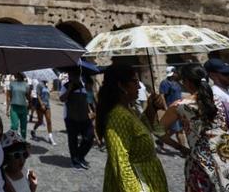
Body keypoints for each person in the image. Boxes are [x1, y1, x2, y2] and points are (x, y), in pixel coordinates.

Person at [160, 63, 229, 191]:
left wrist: (179, 147)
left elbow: (157, 130)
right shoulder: (224, 104)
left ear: (187, 82)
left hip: (200, 167)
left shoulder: (179, 107)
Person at [96, 63, 168, 192]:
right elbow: (120, 161)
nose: (139, 87)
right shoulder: (117, 116)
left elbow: (142, 130)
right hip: (138, 181)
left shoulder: (129, 110)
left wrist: (152, 108)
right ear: (121, 85)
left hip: (147, 177)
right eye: (135, 82)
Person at [59, 70, 93, 169]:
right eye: (70, 75)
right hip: (71, 117)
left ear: (78, 75)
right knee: (73, 140)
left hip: (84, 117)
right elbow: (62, 99)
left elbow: (88, 100)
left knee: (89, 137)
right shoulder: (65, 86)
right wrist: (69, 90)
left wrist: (91, 110)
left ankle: (79, 156)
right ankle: (75, 160)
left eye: (74, 75)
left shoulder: (83, 85)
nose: (71, 77)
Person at [158, 66, 187, 151]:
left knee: (175, 129)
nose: (176, 74)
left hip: (180, 108)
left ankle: (161, 140)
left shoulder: (176, 82)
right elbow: (162, 96)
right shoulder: (165, 83)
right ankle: (184, 150)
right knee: (179, 130)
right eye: (175, 72)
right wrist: (166, 108)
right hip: (172, 109)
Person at [30, 80, 55, 146]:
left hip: (47, 106)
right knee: (40, 121)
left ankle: (50, 136)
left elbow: (47, 96)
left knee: (49, 121)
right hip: (40, 106)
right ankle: (33, 130)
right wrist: (41, 104)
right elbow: (38, 95)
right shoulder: (39, 84)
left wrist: (51, 90)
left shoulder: (46, 86)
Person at [6, 73, 30, 139]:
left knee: (23, 128)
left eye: (17, 73)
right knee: (14, 126)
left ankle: (23, 142)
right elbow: (9, 97)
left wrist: (30, 106)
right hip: (14, 108)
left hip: (23, 108)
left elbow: (28, 97)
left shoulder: (26, 85)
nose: (15, 74)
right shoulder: (12, 84)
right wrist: (7, 109)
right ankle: (12, 143)